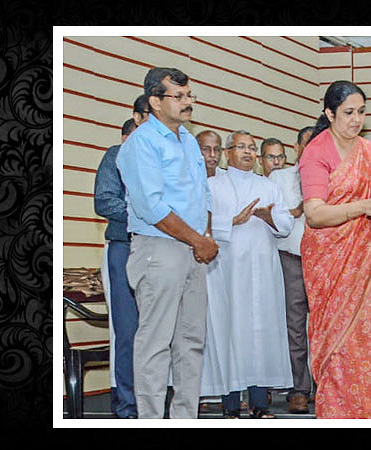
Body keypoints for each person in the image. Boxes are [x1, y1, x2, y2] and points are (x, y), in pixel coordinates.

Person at [116, 67, 219, 419]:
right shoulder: (141, 143)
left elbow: (201, 195)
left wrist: (203, 238)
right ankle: (149, 419)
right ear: (155, 102)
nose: (188, 102)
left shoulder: (188, 139)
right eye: (179, 96)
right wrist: (198, 240)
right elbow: (152, 206)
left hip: (193, 249)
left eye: (190, 95)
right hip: (159, 248)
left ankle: (185, 419)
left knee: (191, 342)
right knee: (155, 342)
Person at [298, 80, 371, 418]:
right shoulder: (316, 152)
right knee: (339, 347)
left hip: (366, 265)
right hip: (331, 264)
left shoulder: (369, 153)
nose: (356, 120)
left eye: (361, 112)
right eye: (348, 113)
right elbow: (315, 213)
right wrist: (363, 207)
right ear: (329, 113)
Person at [200, 130, 295, 419]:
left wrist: (268, 217)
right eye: (240, 147)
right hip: (227, 270)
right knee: (230, 333)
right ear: (227, 152)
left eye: (251, 148)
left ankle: (260, 404)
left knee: (261, 334)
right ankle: (230, 405)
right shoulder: (212, 185)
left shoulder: (267, 186)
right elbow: (199, 221)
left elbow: (287, 223)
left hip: (263, 269)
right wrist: (233, 220)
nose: (247, 152)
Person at [94, 117, 141, 418]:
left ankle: (154, 402)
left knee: (157, 334)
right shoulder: (115, 156)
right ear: (126, 136)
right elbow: (105, 202)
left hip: (161, 249)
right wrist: (149, 213)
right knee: (127, 331)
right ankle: (127, 407)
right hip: (124, 247)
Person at [268, 127, 316, 413]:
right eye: (306, 144)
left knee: (324, 327)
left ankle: (326, 387)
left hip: (324, 260)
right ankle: (300, 388)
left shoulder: (330, 177)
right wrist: (296, 211)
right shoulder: (279, 177)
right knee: (295, 326)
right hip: (291, 258)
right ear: (297, 147)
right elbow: (277, 215)